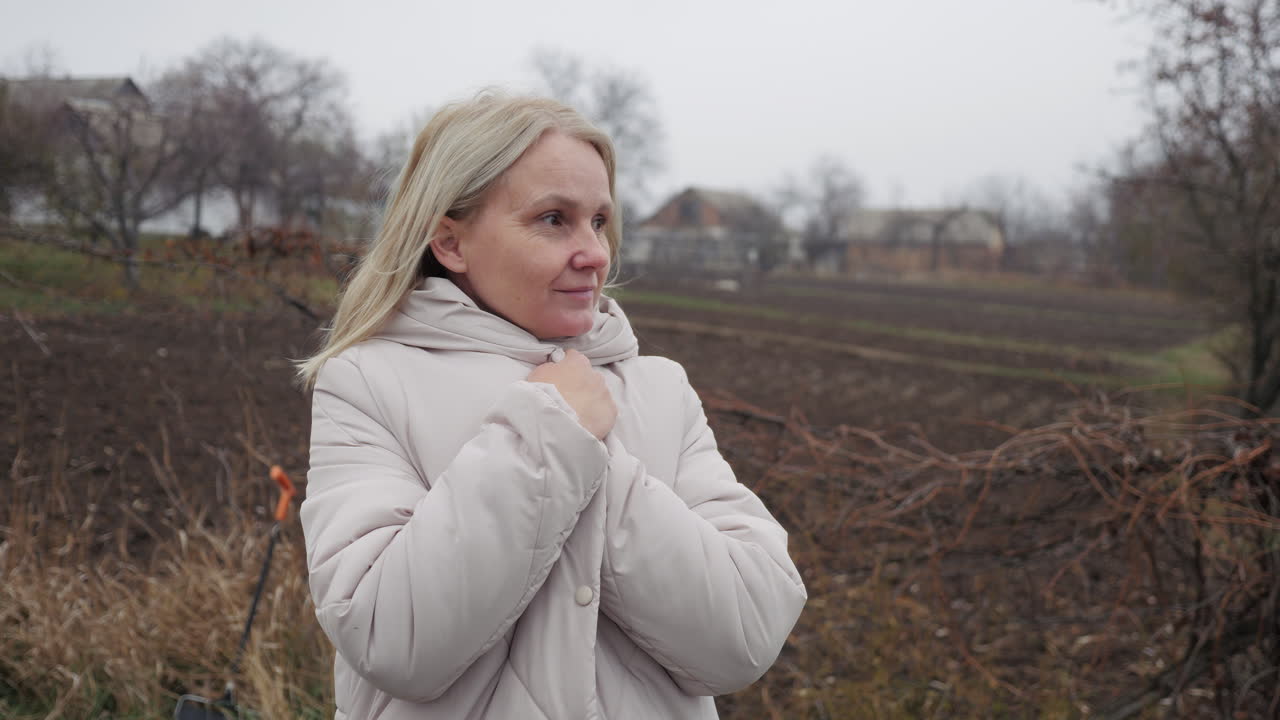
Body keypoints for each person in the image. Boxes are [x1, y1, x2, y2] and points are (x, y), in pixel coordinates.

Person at [296, 92, 807, 720]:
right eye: (552, 219)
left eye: (598, 220)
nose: (594, 251)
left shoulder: (661, 390)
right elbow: (390, 638)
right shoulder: (368, 383)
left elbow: (747, 635)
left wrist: (587, 457)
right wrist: (549, 435)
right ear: (451, 242)